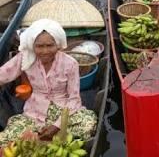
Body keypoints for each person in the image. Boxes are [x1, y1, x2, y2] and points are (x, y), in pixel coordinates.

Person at [0, 19, 97, 148]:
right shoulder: (26, 58)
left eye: (50, 45)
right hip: (34, 113)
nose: (45, 51)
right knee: (6, 137)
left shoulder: (70, 63)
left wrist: (56, 126)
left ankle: (40, 138)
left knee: (88, 124)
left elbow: (74, 100)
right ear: (33, 46)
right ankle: (43, 138)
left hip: (63, 111)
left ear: (58, 44)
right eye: (39, 46)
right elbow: (3, 74)